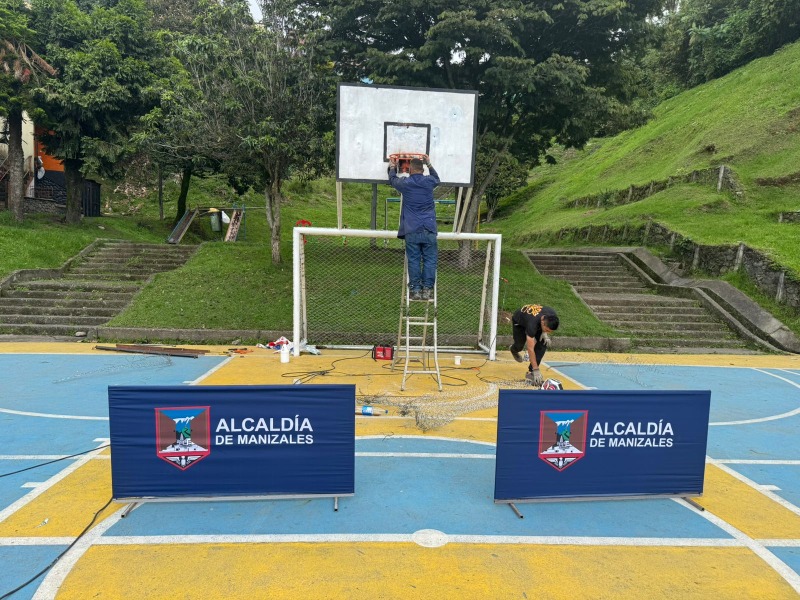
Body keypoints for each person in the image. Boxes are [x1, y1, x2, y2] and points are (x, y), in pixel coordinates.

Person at [388, 155, 440, 301]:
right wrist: (429, 164)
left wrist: (393, 167)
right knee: (430, 260)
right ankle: (428, 290)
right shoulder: (429, 181)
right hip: (429, 228)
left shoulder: (406, 183)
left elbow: (392, 180)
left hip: (412, 229)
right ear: (423, 170)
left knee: (414, 260)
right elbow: (437, 178)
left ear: (409, 170)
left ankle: (416, 290)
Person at [509, 304, 559, 387]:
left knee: (543, 342)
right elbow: (530, 349)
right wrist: (537, 370)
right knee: (519, 345)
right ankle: (513, 349)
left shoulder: (552, 315)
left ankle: (531, 373)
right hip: (520, 321)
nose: (549, 332)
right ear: (542, 322)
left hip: (535, 320)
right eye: (547, 330)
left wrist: (544, 333)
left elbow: (545, 323)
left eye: (550, 331)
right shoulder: (532, 324)